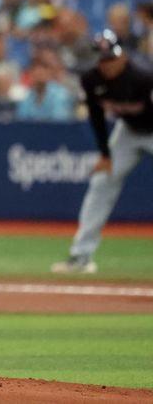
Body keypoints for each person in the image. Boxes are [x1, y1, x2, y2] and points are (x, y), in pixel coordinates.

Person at [52, 30, 153, 273]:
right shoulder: (91, 79)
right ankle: (81, 256)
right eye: (102, 58)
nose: (106, 64)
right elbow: (96, 117)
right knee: (100, 182)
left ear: (123, 57)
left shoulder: (143, 79)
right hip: (128, 132)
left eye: (111, 58)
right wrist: (105, 155)